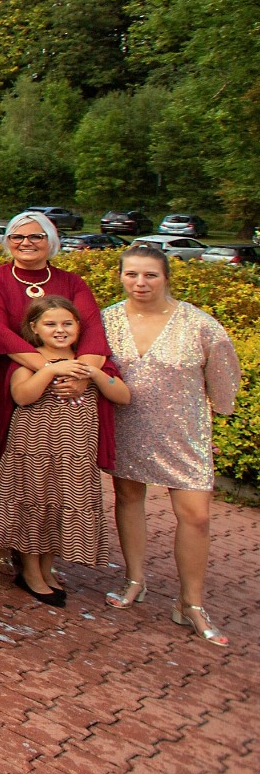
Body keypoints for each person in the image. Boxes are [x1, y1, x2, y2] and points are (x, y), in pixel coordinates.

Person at [103, 242, 240, 644]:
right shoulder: (107, 319)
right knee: (128, 498)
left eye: (150, 274)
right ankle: (134, 579)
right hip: (128, 426)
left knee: (196, 515)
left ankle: (191, 603)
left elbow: (223, 384)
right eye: (131, 274)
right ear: (121, 276)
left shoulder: (200, 325)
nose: (140, 282)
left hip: (184, 432)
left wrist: (215, 422)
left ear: (166, 277)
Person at [0, 296, 127, 607]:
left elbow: (123, 395)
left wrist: (92, 373)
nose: (60, 330)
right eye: (50, 324)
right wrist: (52, 370)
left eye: (67, 323)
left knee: (60, 504)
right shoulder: (28, 361)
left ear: (79, 327)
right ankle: (30, 571)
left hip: (76, 452)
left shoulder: (91, 362)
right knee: (35, 502)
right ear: (34, 328)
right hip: (34, 448)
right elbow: (23, 396)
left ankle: (46, 567)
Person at [0, 211, 111, 494]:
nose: (25, 242)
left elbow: (92, 331)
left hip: (67, 388)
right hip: (4, 382)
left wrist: (82, 374)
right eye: (17, 236)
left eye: (35, 236)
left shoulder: (72, 282)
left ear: (51, 240)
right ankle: (0, 529)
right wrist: (51, 369)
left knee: (62, 468)